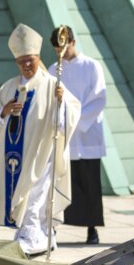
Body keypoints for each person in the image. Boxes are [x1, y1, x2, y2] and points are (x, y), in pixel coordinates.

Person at [0, 24, 80, 256]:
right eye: (22, 61)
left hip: (42, 153)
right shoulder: (9, 87)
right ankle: (32, 233)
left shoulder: (52, 84)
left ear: (38, 57)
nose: (26, 65)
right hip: (16, 157)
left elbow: (72, 112)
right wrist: (4, 112)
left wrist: (61, 103)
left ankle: (34, 235)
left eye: (31, 60)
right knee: (22, 195)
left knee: (36, 195)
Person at [46, 27, 105, 245]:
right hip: (63, 133)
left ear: (73, 42)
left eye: (64, 46)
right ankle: (55, 225)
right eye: (57, 48)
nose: (61, 51)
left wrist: (76, 121)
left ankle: (92, 228)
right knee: (61, 181)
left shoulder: (91, 66)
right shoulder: (53, 69)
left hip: (85, 133)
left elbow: (99, 98)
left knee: (89, 182)